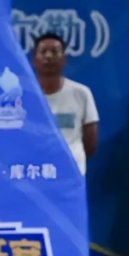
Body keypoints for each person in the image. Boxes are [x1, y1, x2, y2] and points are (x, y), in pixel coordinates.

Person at [32, 33, 98, 175]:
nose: (48, 56)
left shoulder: (81, 93)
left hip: (71, 177)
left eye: (55, 52)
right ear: (34, 59)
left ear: (64, 59)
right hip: (33, 176)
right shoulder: (23, 96)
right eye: (43, 52)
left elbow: (90, 144)